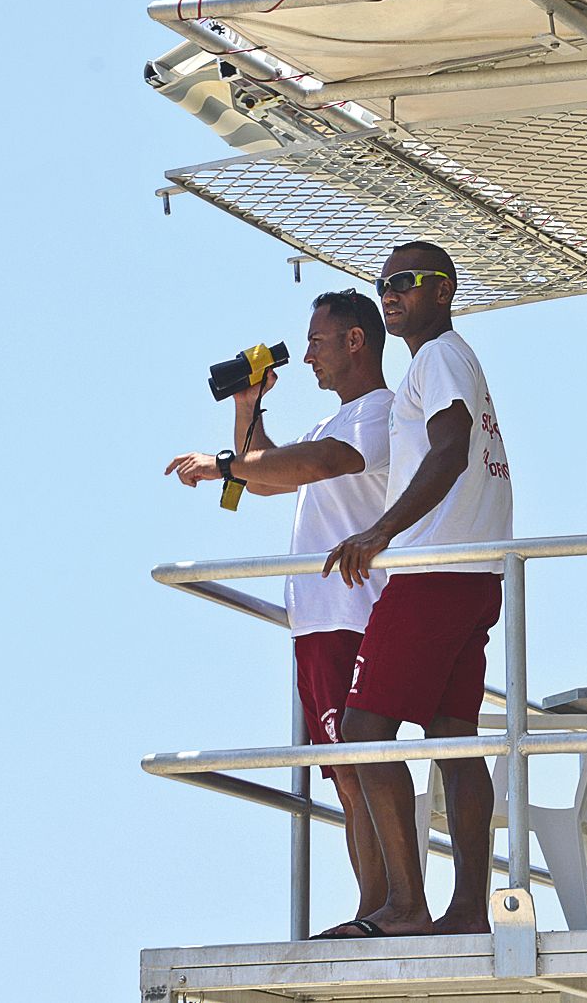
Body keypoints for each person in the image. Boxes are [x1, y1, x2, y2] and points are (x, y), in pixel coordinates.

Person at [163, 290, 394, 931]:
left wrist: (225, 464)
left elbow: (311, 465)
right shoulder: (333, 421)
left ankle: (384, 911)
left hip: (355, 615)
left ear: (356, 341)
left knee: (360, 765)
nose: (310, 355)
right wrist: (247, 405)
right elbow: (263, 478)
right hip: (322, 621)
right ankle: (373, 909)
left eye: (318, 341)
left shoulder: (378, 414)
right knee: (345, 775)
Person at [319, 241, 512, 939]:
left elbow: (451, 446)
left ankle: (404, 906)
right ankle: (465, 911)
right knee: (454, 740)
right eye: (384, 283)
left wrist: (380, 530)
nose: (392, 293)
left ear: (444, 289)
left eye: (407, 281)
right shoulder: (448, 359)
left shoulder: (437, 357)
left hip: (434, 571)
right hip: (474, 573)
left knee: (365, 731)